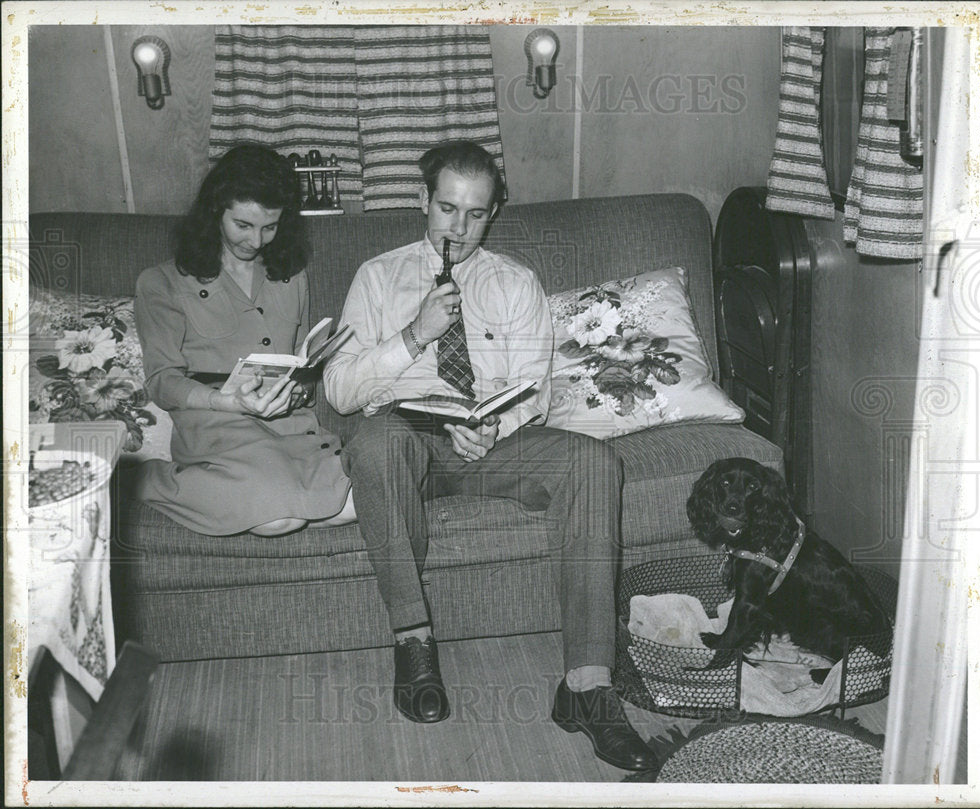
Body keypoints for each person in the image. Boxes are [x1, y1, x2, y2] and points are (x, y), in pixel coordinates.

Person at [324, 141, 656, 771]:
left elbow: (533, 387)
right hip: (405, 440)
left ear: (493, 212)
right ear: (423, 201)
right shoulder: (378, 275)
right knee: (376, 442)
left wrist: (494, 427)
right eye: (446, 208)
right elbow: (340, 392)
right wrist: (414, 334)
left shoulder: (514, 282)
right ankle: (415, 646)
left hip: (488, 440)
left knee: (594, 461)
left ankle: (586, 687)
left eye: (475, 214)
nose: (458, 227)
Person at [134, 144, 353, 536]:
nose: (256, 241)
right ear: (214, 211)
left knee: (354, 503)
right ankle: (146, 479)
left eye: (270, 227)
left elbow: (302, 362)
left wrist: (300, 390)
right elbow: (162, 381)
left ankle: (280, 487)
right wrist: (227, 401)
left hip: (288, 424)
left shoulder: (291, 275)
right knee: (280, 519)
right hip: (216, 423)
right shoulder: (161, 282)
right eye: (243, 225)